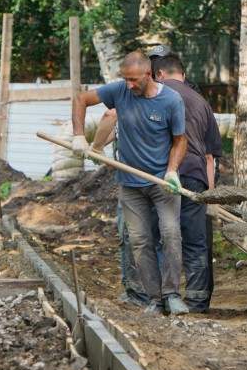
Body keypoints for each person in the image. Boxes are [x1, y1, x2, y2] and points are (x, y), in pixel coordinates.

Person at [72, 51, 189, 316]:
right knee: (139, 241)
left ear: (148, 75)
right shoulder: (120, 91)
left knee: (171, 235)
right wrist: (79, 136)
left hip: (162, 182)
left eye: (134, 80)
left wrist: (172, 171)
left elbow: (180, 140)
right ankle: (155, 299)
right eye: (125, 79)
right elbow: (81, 99)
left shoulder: (171, 100)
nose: (129, 85)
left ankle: (172, 295)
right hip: (130, 184)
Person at [152, 54, 221, 313]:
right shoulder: (201, 102)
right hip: (195, 177)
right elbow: (209, 157)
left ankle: (160, 299)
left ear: (159, 73)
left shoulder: (157, 94)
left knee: (159, 237)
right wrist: (210, 197)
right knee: (195, 240)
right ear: (182, 73)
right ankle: (197, 301)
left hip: (161, 175)